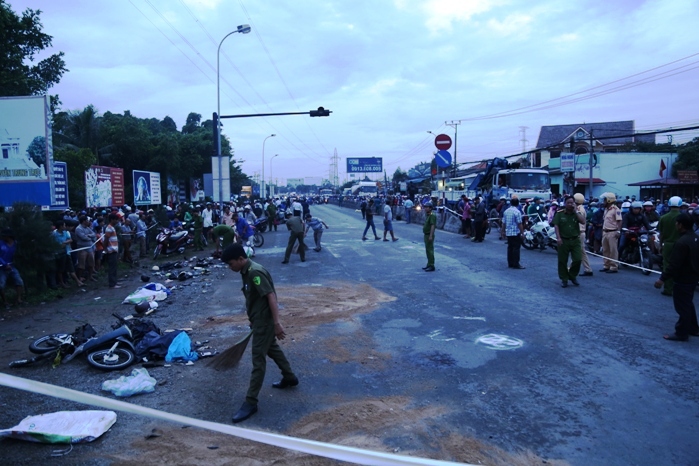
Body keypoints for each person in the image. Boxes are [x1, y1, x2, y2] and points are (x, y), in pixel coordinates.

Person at [221, 244, 298, 423]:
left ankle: (251, 402)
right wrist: (253, 318)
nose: (230, 267)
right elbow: (256, 299)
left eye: (231, 263)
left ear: (241, 259)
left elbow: (271, 296)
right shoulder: (246, 271)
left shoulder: (255, 272)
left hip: (265, 323)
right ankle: (290, 377)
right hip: (259, 320)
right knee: (271, 348)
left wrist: (276, 323)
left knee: (258, 360)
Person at [654, 213, 699, 341]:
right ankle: (693, 328)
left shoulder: (681, 243)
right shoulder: (695, 238)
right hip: (693, 277)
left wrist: (662, 279)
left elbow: (674, 264)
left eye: (677, 223)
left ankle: (681, 332)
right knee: (688, 304)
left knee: (682, 306)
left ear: (680, 225)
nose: (675, 225)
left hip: (683, 278)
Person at [553, 197, 586, 287]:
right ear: (565, 203)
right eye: (568, 202)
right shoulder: (560, 214)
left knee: (578, 259)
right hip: (564, 240)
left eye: (572, 203)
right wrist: (558, 238)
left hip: (575, 240)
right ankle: (564, 278)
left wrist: (575, 211)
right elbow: (556, 226)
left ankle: (572, 275)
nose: (570, 204)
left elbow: (583, 221)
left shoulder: (577, 213)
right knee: (562, 261)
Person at [658, 196, 683, 296]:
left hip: (668, 245)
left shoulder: (663, 217)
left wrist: (660, 245)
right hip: (681, 244)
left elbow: (661, 234)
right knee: (681, 266)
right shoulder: (683, 217)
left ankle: (668, 289)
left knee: (667, 266)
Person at [0, 229, 24, 307]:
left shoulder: (16, 243)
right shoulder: (1, 243)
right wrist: (4, 264)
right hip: (2, 267)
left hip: (12, 265)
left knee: (19, 281)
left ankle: (19, 299)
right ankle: (5, 301)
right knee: (1, 284)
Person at [599, 192, 622, 273]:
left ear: (609, 200)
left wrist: (618, 231)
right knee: (605, 250)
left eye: (604, 200)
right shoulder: (606, 210)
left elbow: (619, 221)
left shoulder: (616, 210)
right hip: (605, 231)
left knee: (613, 250)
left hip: (612, 232)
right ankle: (606, 265)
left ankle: (613, 267)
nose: (603, 202)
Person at [573, 194, 593, 277]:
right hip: (579, 232)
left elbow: (579, 220)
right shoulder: (579, 208)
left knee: (578, 251)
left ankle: (570, 268)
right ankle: (587, 269)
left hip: (579, 232)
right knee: (580, 251)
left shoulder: (579, 209)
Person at [501, 197, 525, 269]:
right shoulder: (517, 212)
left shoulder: (506, 211)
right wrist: (522, 233)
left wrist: (503, 231)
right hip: (515, 232)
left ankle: (510, 263)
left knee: (510, 248)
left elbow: (503, 223)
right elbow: (519, 223)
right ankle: (516, 263)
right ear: (518, 204)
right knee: (516, 248)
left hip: (509, 232)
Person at [104, 213, 121, 289]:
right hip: (111, 250)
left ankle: (114, 281)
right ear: (112, 220)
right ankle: (112, 284)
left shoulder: (112, 227)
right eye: (116, 219)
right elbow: (106, 239)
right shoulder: (109, 228)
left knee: (114, 267)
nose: (117, 221)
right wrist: (105, 249)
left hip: (114, 249)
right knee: (112, 267)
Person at [422, 202, 437, 272]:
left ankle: (431, 265)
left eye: (427, 207)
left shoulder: (432, 215)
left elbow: (432, 226)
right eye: (425, 207)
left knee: (430, 250)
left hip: (429, 234)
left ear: (430, 208)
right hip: (426, 234)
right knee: (427, 250)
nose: (425, 208)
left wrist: (431, 235)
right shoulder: (428, 215)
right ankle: (429, 264)